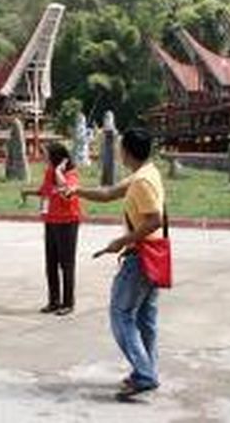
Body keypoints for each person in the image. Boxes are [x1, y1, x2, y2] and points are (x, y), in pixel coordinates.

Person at [67, 127, 164, 401]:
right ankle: (145, 371)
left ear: (127, 152)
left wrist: (122, 241)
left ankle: (145, 374)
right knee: (145, 319)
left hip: (140, 257)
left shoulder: (142, 183)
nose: (119, 151)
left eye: (122, 147)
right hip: (152, 255)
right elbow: (109, 193)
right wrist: (76, 191)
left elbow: (154, 219)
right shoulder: (146, 174)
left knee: (121, 314)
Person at [21, 142, 82, 316]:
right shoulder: (49, 173)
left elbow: (66, 191)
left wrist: (58, 172)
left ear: (56, 157)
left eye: (46, 154)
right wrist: (28, 192)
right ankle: (54, 301)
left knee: (66, 264)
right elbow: (45, 191)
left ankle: (68, 303)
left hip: (68, 222)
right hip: (51, 222)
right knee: (51, 263)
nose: (43, 157)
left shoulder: (70, 174)